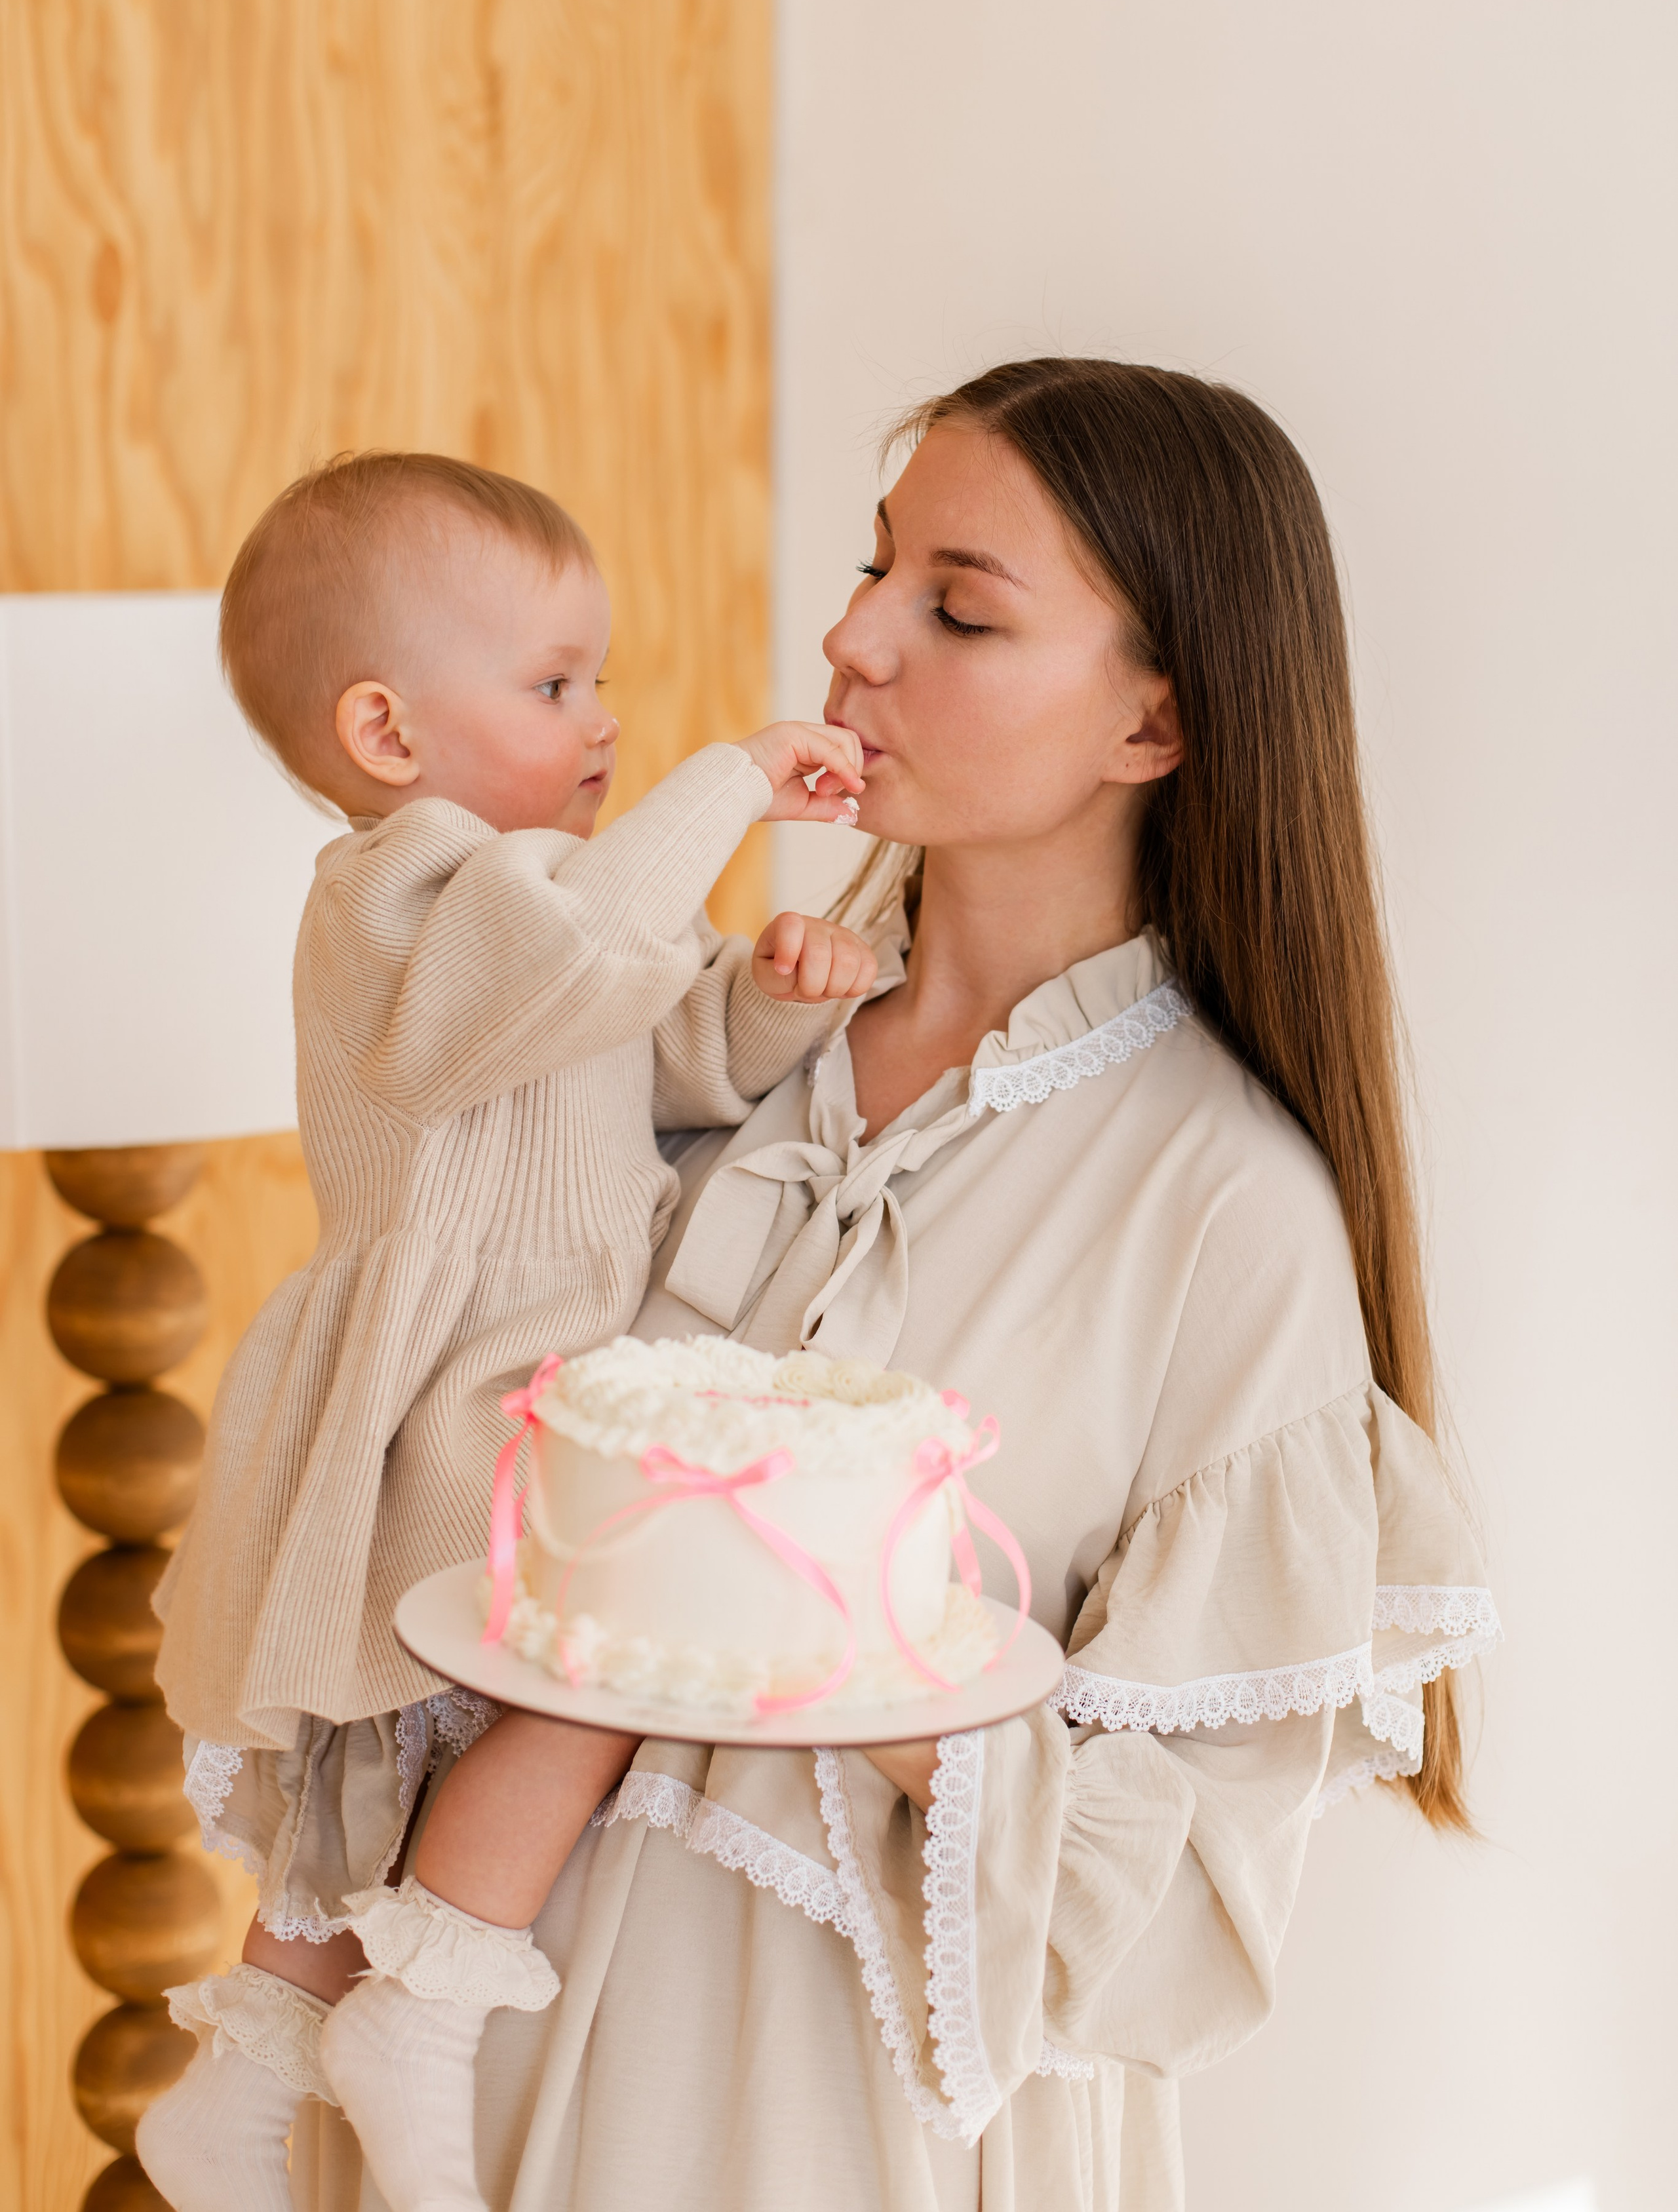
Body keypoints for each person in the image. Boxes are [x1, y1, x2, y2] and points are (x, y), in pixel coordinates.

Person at [294, 363, 1500, 2212]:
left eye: (961, 609)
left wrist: (853, 1651)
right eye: (876, 570)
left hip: (840, 2126)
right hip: (464, 2086)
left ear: (1156, 722)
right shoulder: (685, 1038)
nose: (853, 641)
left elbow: (1176, 1907)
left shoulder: (1226, 1207)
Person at [135, 451, 878, 2212]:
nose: (604, 718)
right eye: (554, 686)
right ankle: (419, 2016)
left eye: (598, 678)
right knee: (533, 1682)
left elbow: (664, 1062)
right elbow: (547, 970)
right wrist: (731, 783)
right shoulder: (397, 891)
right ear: (386, 733)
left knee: (436, 1734)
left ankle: (254, 2082)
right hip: (442, 1373)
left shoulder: (553, 902)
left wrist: (770, 1007)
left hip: (541, 1363)